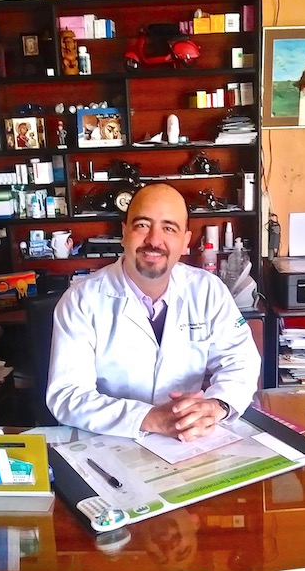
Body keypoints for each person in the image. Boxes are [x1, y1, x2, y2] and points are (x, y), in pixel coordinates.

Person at [46, 183, 260, 440]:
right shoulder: (81, 300)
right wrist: (148, 418)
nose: (154, 240)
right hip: (109, 442)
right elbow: (68, 395)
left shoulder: (208, 290)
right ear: (124, 233)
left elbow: (241, 362)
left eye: (169, 228)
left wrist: (216, 406)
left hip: (188, 440)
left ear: (185, 242)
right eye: (142, 225)